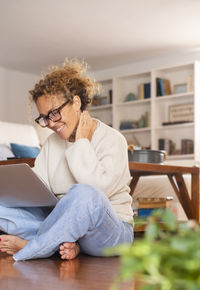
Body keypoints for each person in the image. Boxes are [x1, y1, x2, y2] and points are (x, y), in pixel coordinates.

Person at [0, 59, 134, 261]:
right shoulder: (52, 143)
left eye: (54, 113)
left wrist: (81, 142)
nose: (51, 124)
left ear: (76, 102)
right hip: (63, 224)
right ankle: (58, 244)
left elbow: (96, 193)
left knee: (84, 193)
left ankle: (34, 248)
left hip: (110, 231)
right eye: (44, 118)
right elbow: (40, 188)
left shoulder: (113, 139)